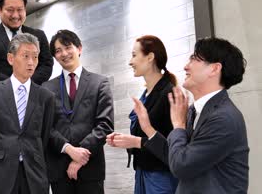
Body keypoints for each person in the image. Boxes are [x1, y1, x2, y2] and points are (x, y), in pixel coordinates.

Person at [165, 37, 249, 193]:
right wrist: (146, 131)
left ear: (214, 69)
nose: (185, 67)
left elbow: (181, 165)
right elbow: (175, 155)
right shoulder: (193, 111)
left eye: (194, 59)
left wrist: (178, 125)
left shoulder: (223, 117)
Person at [0, 33, 55, 194]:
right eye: (25, 56)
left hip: (33, 173)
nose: (31, 62)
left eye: (35, 57)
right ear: (11, 59)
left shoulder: (46, 96)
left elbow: (44, 135)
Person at [42, 30, 114, 194]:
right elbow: (46, 127)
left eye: (68, 47)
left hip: (90, 168)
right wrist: (69, 149)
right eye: (58, 51)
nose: (64, 54)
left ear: (79, 48)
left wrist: (79, 158)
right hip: (59, 169)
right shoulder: (46, 88)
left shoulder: (100, 83)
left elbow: (105, 125)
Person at [106, 35, 178, 193]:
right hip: (143, 171)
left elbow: (174, 147)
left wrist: (134, 141)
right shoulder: (146, 94)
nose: (130, 62)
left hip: (161, 176)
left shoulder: (170, 94)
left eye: (134, 55)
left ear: (150, 57)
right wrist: (125, 140)